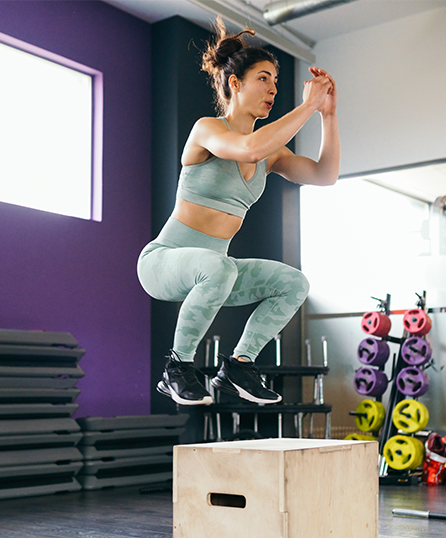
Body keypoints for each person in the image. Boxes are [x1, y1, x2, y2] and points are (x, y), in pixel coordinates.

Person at [137, 18, 340, 406]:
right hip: (163, 262)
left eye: (275, 81)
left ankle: (239, 366)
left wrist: (326, 115)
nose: (273, 89)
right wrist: (307, 105)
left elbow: (324, 175)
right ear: (235, 83)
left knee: (294, 283)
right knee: (219, 267)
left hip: (217, 271)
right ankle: (177, 368)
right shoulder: (208, 130)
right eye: (263, 78)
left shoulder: (272, 154)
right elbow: (249, 149)